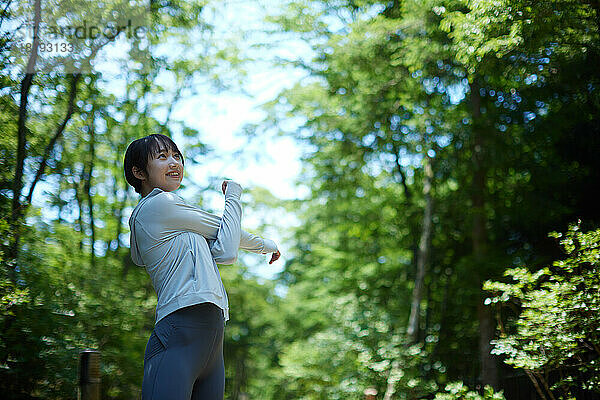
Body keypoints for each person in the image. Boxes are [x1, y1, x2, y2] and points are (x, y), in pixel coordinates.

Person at [123, 134, 281, 400]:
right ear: (139, 172)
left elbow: (224, 236)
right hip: (179, 328)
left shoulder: (178, 218)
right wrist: (233, 194)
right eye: (162, 157)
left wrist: (266, 244)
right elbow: (228, 248)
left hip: (212, 334)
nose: (174, 162)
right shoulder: (159, 205)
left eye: (176, 156)